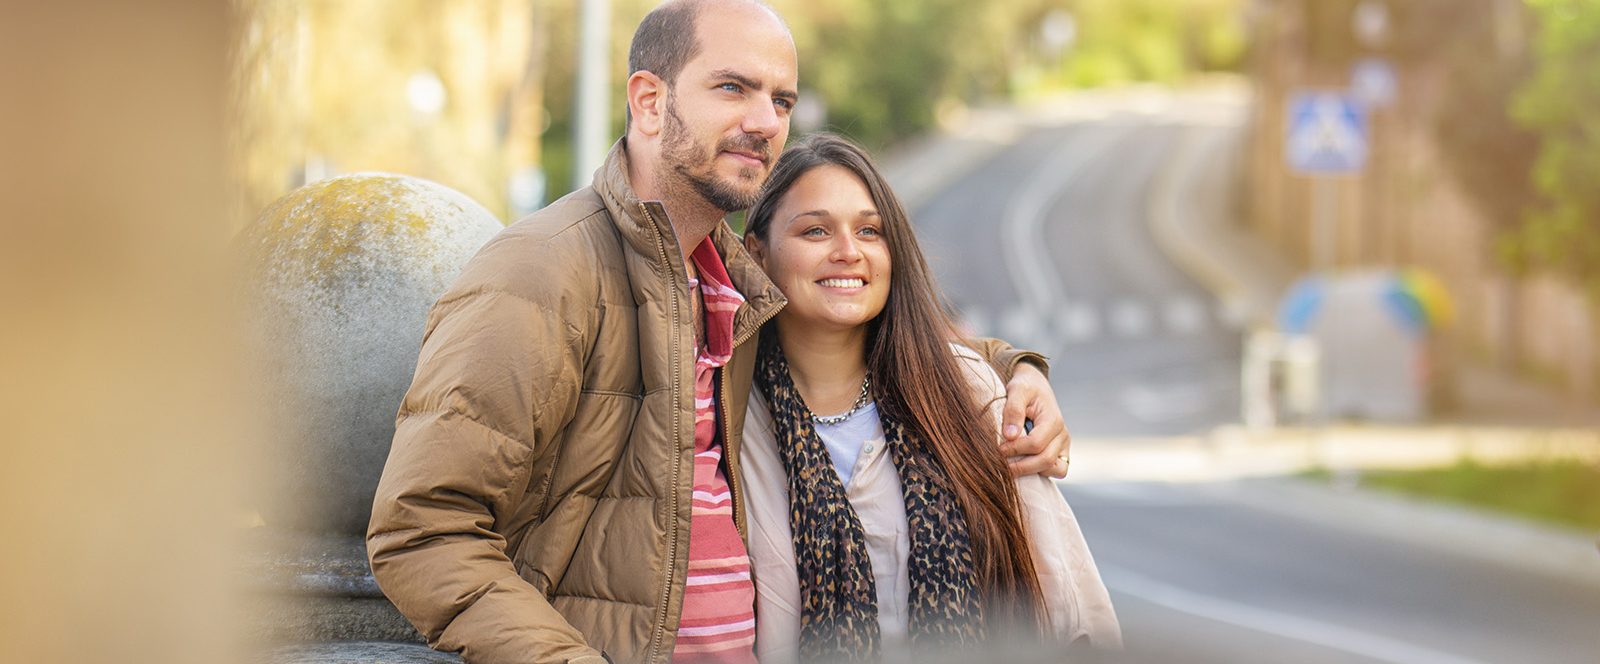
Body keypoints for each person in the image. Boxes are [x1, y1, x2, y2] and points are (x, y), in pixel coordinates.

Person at [366, 1, 1072, 662]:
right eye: (733, 88)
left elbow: (875, 332)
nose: (765, 122)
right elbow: (422, 531)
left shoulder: (736, 286)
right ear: (650, 101)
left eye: (782, 100)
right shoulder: (541, 272)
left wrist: (1017, 368)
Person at [739, 133, 1122, 663]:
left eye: (870, 231)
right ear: (756, 253)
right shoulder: (727, 416)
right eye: (816, 230)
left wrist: (1022, 366)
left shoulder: (967, 392)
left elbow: (1072, 606)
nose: (848, 251)